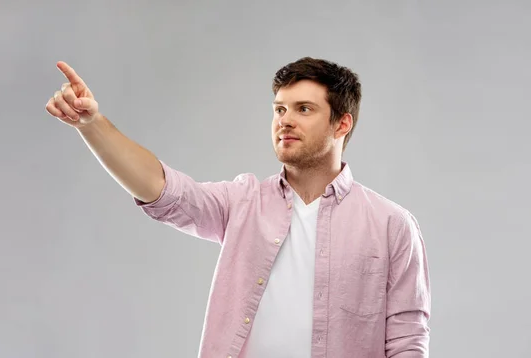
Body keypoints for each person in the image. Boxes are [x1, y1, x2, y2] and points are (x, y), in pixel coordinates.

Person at [45, 57, 431, 358]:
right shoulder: (242, 202)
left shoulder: (391, 225)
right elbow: (162, 189)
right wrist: (91, 123)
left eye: (304, 109)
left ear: (341, 124)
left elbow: (407, 339)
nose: (285, 121)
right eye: (279, 109)